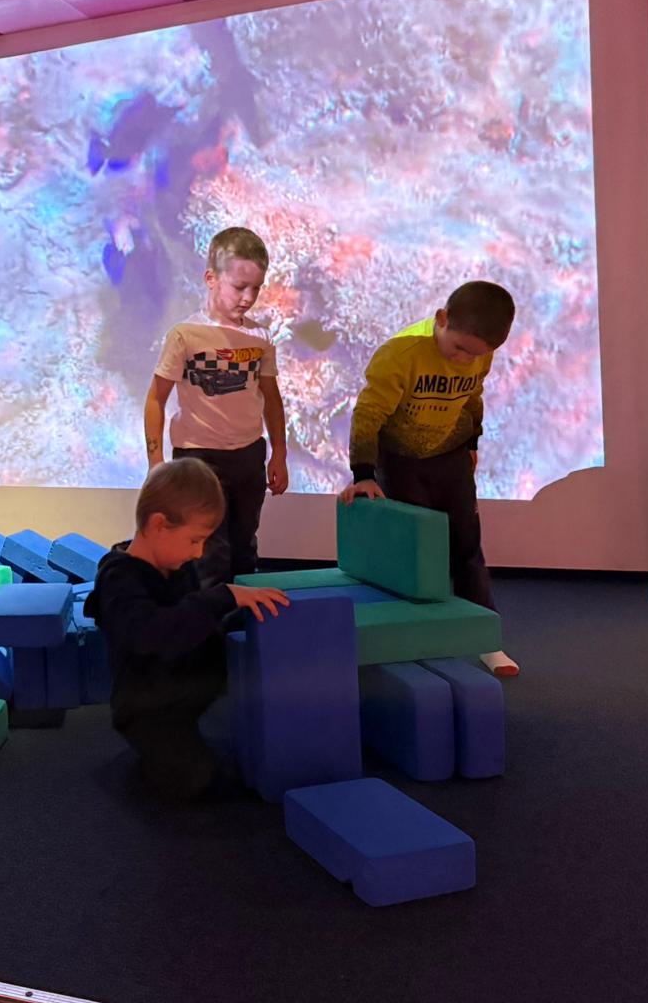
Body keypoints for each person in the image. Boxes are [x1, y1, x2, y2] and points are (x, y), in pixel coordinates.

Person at [338, 281, 519, 677]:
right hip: (400, 461)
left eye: (476, 354)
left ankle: (484, 639)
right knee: (415, 551)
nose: (464, 360)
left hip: (449, 457)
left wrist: (471, 442)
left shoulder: (479, 354)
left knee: (466, 546)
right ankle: (418, 639)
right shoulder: (400, 354)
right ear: (442, 319)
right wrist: (364, 474)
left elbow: (472, 398)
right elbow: (368, 414)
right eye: (459, 348)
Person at [84, 459, 288, 800]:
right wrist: (222, 596)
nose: (199, 552)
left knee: (241, 623)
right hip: (145, 708)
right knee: (196, 780)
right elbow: (153, 634)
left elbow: (194, 622)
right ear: (159, 525)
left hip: (182, 686)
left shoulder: (177, 565)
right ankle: (157, 751)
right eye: (195, 540)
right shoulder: (119, 579)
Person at [144, 226, 288, 589]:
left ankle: (245, 619)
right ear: (211, 278)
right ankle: (210, 620)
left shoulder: (261, 337)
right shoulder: (185, 335)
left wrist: (279, 453)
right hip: (198, 458)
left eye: (256, 288)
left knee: (243, 548)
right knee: (209, 554)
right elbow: (156, 398)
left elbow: (271, 398)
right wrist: (155, 462)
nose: (248, 298)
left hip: (248, 455)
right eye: (239, 287)